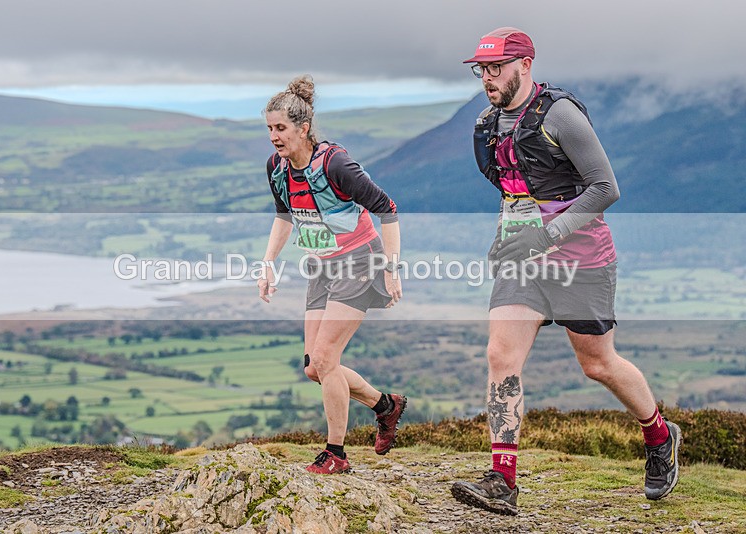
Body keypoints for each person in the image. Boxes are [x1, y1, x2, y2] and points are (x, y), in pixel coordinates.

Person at [450, 27, 681, 515]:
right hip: (523, 261)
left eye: (497, 68)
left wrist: (548, 235)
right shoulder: (486, 125)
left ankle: (659, 435)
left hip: (581, 258)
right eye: (482, 70)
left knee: (597, 364)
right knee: (500, 355)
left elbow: (605, 188)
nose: (488, 78)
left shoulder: (560, 114)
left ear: (525, 64)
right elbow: (513, 190)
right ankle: (502, 480)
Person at [258, 75, 407, 474]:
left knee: (326, 359)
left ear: (303, 128)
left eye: (281, 128)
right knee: (313, 367)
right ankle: (386, 406)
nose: (273, 136)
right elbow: (284, 217)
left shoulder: (335, 164)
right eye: (269, 128)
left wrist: (391, 268)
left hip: (359, 262)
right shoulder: (277, 168)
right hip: (320, 267)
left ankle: (336, 454)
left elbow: (387, 207)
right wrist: (268, 262)